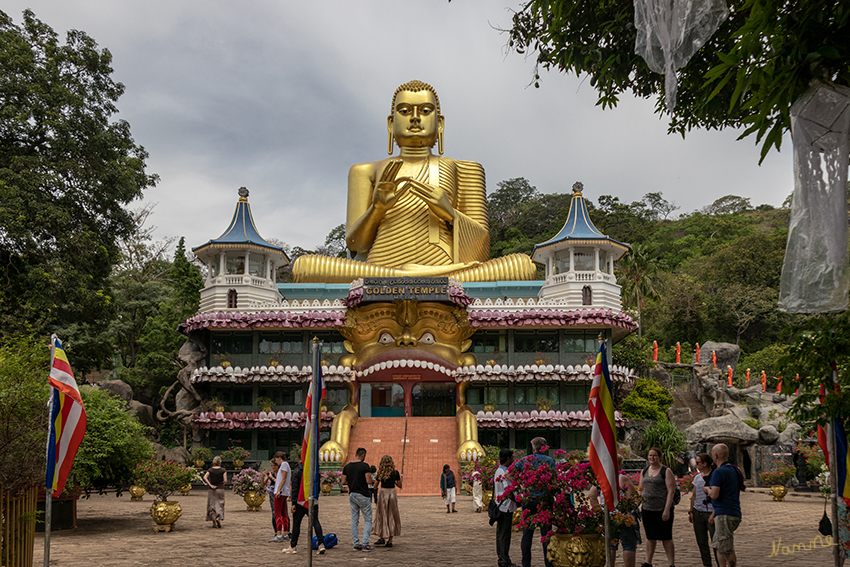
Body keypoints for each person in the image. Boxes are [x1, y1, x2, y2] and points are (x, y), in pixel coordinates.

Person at [291, 79, 536, 283]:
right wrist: (377, 210)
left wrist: (450, 214)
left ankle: (408, 278)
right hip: (380, 271)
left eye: (426, 111)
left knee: (522, 267)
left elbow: (481, 252)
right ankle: (408, 277)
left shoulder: (465, 169)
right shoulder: (364, 171)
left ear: (439, 123)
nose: (415, 118)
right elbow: (356, 245)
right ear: (391, 123)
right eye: (405, 111)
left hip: (445, 271)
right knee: (304, 267)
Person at [588, 455, 640, 567]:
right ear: (620, 464)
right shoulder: (623, 479)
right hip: (623, 517)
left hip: (608, 516)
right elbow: (634, 497)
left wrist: (598, 510)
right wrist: (631, 509)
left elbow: (592, 495)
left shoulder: (601, 478)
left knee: (611, 545)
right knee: (628, 545)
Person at [514, 436, 556, 567]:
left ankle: (526, 564)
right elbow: (555, 481)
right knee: (546, 534)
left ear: (533, 449)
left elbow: (509, 474)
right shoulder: (549, 461)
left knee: (527, 533)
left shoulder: (524, 460)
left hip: (528, 500)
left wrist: (520, 485)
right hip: (544, 500)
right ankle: (548, 563)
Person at [704, 443, 742, 567]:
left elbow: (714, 494)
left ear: (715, 456)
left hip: (725, 513)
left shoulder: (718, 472)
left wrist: (707, 490)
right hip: (732, 511)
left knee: (726, 547)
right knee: (719, 545)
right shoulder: (734, 469)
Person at [639, 447, 676, 567]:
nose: (652, 458)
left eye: (655, 455)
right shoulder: (644, 471)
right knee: (650, 537)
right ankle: (648, 561)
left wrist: (667, 509)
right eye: (650, 455)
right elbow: (641, 489)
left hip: (662, 509)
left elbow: (671, 491)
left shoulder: (665, 471)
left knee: (666, 537)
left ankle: (671, 564)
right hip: (647, 509)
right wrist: (636, 503)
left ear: (659, 457)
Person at [283, 455, 325, 555]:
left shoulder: (297, 471)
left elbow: (295, 488)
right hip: (312, 500)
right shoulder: (315, 471)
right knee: (315, 522)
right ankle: (321, 544)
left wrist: (293, 503)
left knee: (297, 523)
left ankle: (293, 546)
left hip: (300, 501)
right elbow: (318, 486)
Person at [689, 452, 718, 567]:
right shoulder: (697, 477)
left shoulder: (715, 476)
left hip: (711, 512)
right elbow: (694, 495)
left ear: (705, 464)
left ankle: (720, 563)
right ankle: (707, 564)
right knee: (702, 543)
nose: (696, 465)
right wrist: (691, 511)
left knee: (715, 542)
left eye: (698, 462)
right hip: (698, 512)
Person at [342, 447, 374, 551]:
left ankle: (356, 543)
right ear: (363, 455)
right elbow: (369, 481)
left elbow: (343, 482)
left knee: (354, 519)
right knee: (368, 519)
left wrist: (352, 481)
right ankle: (365, 543)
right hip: (363, 494)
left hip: (352, 494)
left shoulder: (347, 467)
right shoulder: (365, 466)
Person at [371, 455, 402, 547]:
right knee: (392, 514)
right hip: (392, 493)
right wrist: (396, 481)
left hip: (383, 493)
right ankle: (390, 540)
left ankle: (382, 537)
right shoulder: (395, 472)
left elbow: (375, 486)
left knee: (382, 514)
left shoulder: (380, 473)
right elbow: (400, 485)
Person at [493, 448, 517, 567]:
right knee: (504, 535)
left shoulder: (498, 471)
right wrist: (519, 501)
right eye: (512, 457)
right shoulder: (504, 472)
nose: (513, 460)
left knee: (500, 534)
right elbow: (509, 490)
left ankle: (502, 557)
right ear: (508, 458)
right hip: (505, 506)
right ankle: (504, 559)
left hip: (500, 505)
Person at [270, 450, 291, 542]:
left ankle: (278, 534)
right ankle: (285, 533)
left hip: (281, 492)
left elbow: (283, 478)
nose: (276, 462)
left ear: (279, 458)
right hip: (284, 492)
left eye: (276, 460)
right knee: (284, 513)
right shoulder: (285, 465)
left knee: (278, 513)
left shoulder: (284, 465)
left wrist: (278, 490)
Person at [203, 456, 228, 528]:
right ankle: (218, 519)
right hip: (220, 488)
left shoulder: (210, 470)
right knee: (220, 504)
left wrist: (210, 485)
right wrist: (222, 484)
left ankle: (213, 521)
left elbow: (205, 477)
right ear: (220, 462)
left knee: (211, 504)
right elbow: (225, 480)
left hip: (212, 489)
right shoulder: (223, 470)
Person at [263, 452, 282, 541]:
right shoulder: (270, 473)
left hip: (280, 493)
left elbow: (280, 482)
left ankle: (286, 531)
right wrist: (263, 476)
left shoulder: (281, 473)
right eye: (272, 466)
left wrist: (272, 478)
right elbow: (263, 484)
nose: (273, 467)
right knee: (274, 513)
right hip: (272, 495)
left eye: (274, 465)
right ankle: (276, 531)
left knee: (283, 513)